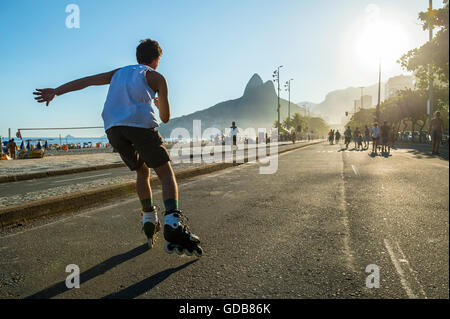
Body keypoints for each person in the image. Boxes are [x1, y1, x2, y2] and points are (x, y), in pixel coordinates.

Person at [33, 39, 202, 257]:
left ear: (137, 57)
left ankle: (149, 215)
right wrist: (160, 104)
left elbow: (87, 81)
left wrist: (57, 91)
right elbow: (166, 118)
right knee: (166, 173)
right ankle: (172, 221)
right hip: (140, 125)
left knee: (142, 171)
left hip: (113, 129)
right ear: (156, 59)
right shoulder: (156, 77)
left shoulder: (118, 72)